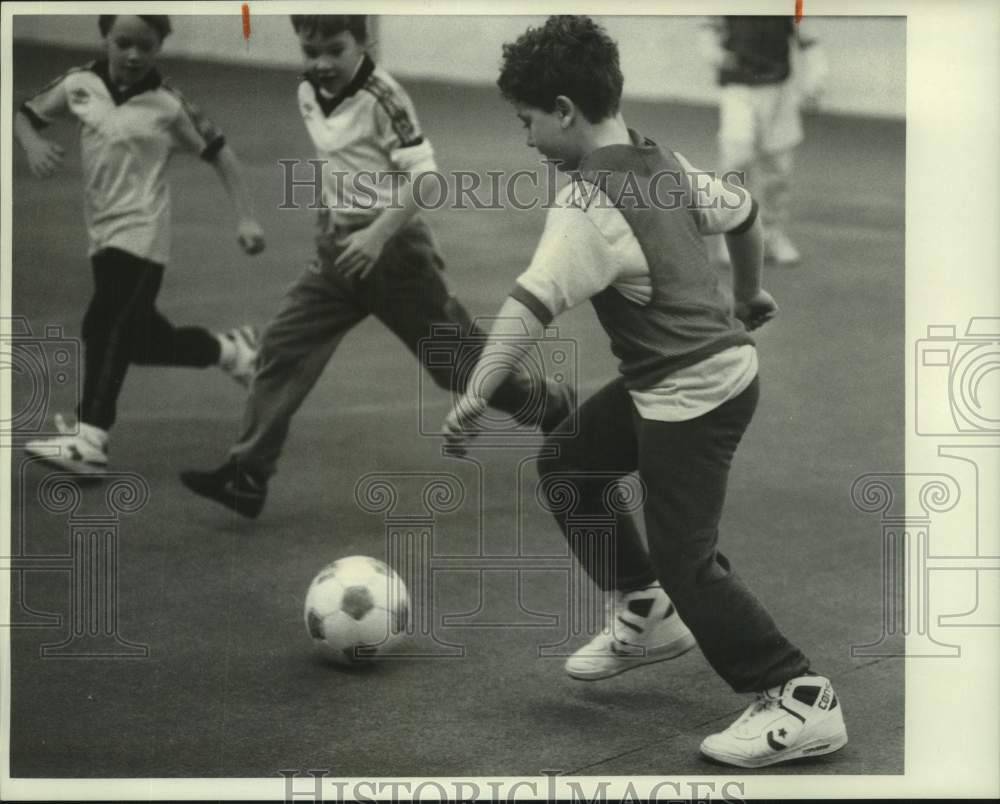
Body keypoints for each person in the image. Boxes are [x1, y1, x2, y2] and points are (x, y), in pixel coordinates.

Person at [443, 15, 847, 769]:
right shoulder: (663, 158)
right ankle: (645, 609)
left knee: (687, 557)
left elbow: (528, 304)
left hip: (692, 396)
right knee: (568, 466)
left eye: (527, 120)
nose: (527, 139)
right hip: (687, 378)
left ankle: (800, 694)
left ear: (563, 109)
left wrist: (476, 390)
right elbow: (746, 214)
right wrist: (750, 296)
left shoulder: (586, 203)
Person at [180, 15, 572, 519]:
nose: (320, 62)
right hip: (339, 251)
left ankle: (552, 406)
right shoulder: (307, 92)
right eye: (309, 49)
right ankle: (247, 476)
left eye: (334, 50)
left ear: (363, 43)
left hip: (394, 255)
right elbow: (339, 164)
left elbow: (427, 181)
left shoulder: (384, 98)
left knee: (454, 367)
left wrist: (376, 234)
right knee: (281, 347)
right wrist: (332, 226)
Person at [15, 14, 265, 475]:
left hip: (144, 235)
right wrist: (31, 144)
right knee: (137, 337)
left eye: (145, 46)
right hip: (102, 235)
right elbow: (24, 114)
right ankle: (230, 350)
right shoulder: (79, 86)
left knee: (104, 325)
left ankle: (90, 440)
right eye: (123, 43)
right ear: (105, 40)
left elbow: (221, 154)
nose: (133, 55)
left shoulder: (168, 105)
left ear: (158, 49)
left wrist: (246, 216)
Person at [699, 15, 827, 266]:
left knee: (779, 167)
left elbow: (809, 39)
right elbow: (708, 30)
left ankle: (772, 235)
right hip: (738, 89)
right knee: (736, 158)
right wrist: (715, 54)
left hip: (779, 90)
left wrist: (816, 78)